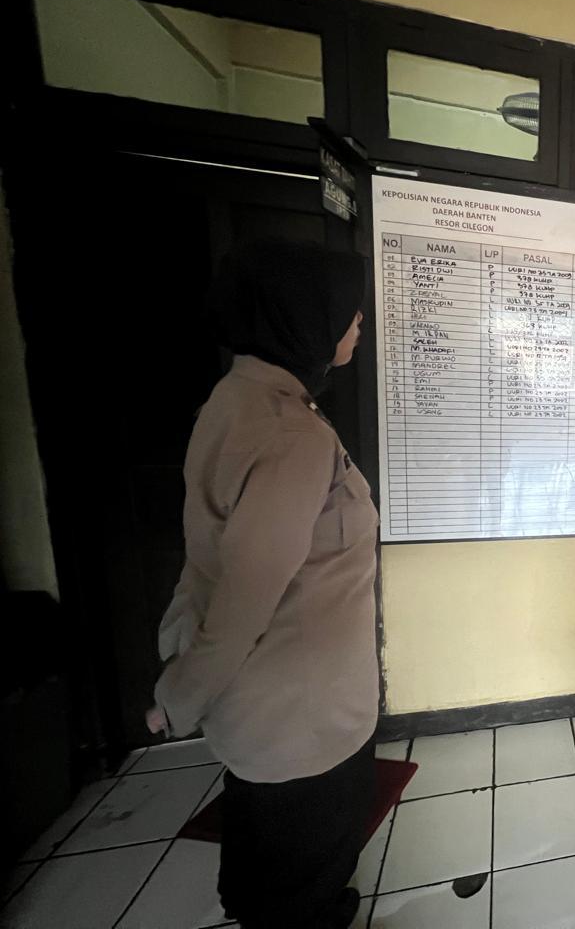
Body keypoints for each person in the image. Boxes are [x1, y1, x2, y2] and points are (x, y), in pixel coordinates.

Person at [145, 242, 379, 929]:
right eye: (346, 309)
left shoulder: (236, 398)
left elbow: (213, 561)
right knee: (303, 870)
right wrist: (177, 697)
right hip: (300, 715)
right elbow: (244, 602)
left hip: (268, 714)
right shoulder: (290, 435)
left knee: (266, 848)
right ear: (301, 317)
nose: (358, 321)